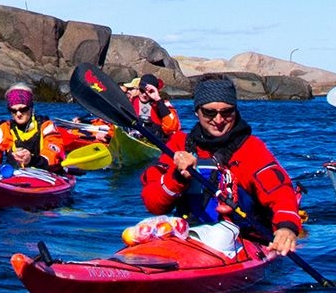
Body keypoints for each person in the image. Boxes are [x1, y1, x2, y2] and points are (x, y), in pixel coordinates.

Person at [141, 75, 304, 256]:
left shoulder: (251, 149)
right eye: (209, 113)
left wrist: (286, 227)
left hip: (243, 238)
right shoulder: (179, 146)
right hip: (189, 237)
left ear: (235, 110)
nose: (218, 120)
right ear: (197, 111)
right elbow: (153, 205)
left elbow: (280, 192)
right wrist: (177, 177)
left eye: (227, 112)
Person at [0, 83, 67, 183]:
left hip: (46, 178)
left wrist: (32, 159)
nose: (18, 114)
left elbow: (54, 156)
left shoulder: (47, 127)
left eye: (23, 109)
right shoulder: (4, 130)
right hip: (14, 180)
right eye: (13, 110)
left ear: (31, 108)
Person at [130, 73, 182, 137]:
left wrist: (158, 99)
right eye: (142, 91)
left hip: (155, 140)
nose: (144, 95)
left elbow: (172, 128)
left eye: (148, 92)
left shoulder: (163, 105)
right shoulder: (131, 101)